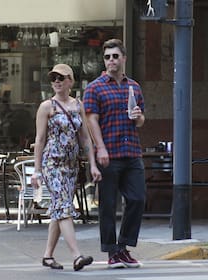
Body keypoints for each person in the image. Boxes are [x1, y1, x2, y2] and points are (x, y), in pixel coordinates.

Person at [31, 64, 102, 271]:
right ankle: (76, 255)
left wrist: (93, 165)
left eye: (61, 78)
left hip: (71, 166)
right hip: (52, 164)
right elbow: (40, 139)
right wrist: (37, 170)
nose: (57, 81)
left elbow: (85, 138)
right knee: (63, 208)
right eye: (53, 78)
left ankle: (47, 256)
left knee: (59, 210)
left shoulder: (78, 105)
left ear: (71, 81)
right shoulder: (46, 107)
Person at [83, 38, 146, 269]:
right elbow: (91, 121)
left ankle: (123, 247)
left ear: (124, 58)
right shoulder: (95, 87)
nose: (111, 60)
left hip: (131, 152)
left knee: (138, 199)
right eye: (108, 57)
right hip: (108, 154)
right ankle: (112, 253)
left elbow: (141, 121)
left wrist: (138, 116)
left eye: (115, 56)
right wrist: (100, 148)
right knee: (108, 205)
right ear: (104, 60)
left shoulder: (135, 87)